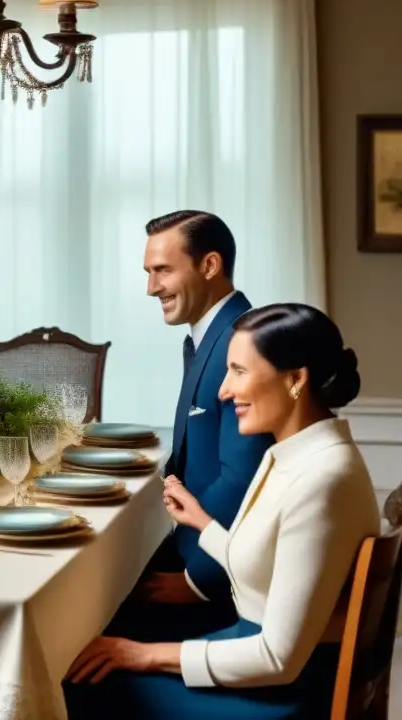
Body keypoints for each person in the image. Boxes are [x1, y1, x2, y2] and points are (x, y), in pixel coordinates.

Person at [64, 303, 380, 719]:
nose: (223, 390)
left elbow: (276, 659)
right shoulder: (298, 454)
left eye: (239, 371)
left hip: (284, 689)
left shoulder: (322, 478)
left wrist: (140, 655)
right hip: (261, 658)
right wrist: (201, 520)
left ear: (295, 379)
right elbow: (271, 566)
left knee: (78, 684)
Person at [113, 210, 273, 640]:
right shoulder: (211, 334)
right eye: (148, 272)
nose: (151, 288)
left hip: (216, 583)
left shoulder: (242, 341)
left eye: (163, 270)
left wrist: (196, 582)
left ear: (209, 265)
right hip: (196, 550)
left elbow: (243, 479)